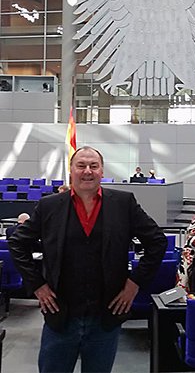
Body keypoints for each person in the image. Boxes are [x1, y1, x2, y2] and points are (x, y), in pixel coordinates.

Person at [8, 146, 167, 373]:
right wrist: (37, 285)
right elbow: (17, 243)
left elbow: (157, 241)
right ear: (71, 171)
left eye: (94, 165)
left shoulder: (124, 203)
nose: (87, 171)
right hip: (60, 316)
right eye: (81, 165)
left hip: (106, 317)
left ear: (102, 171)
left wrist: (134, 284)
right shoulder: (49, 206)